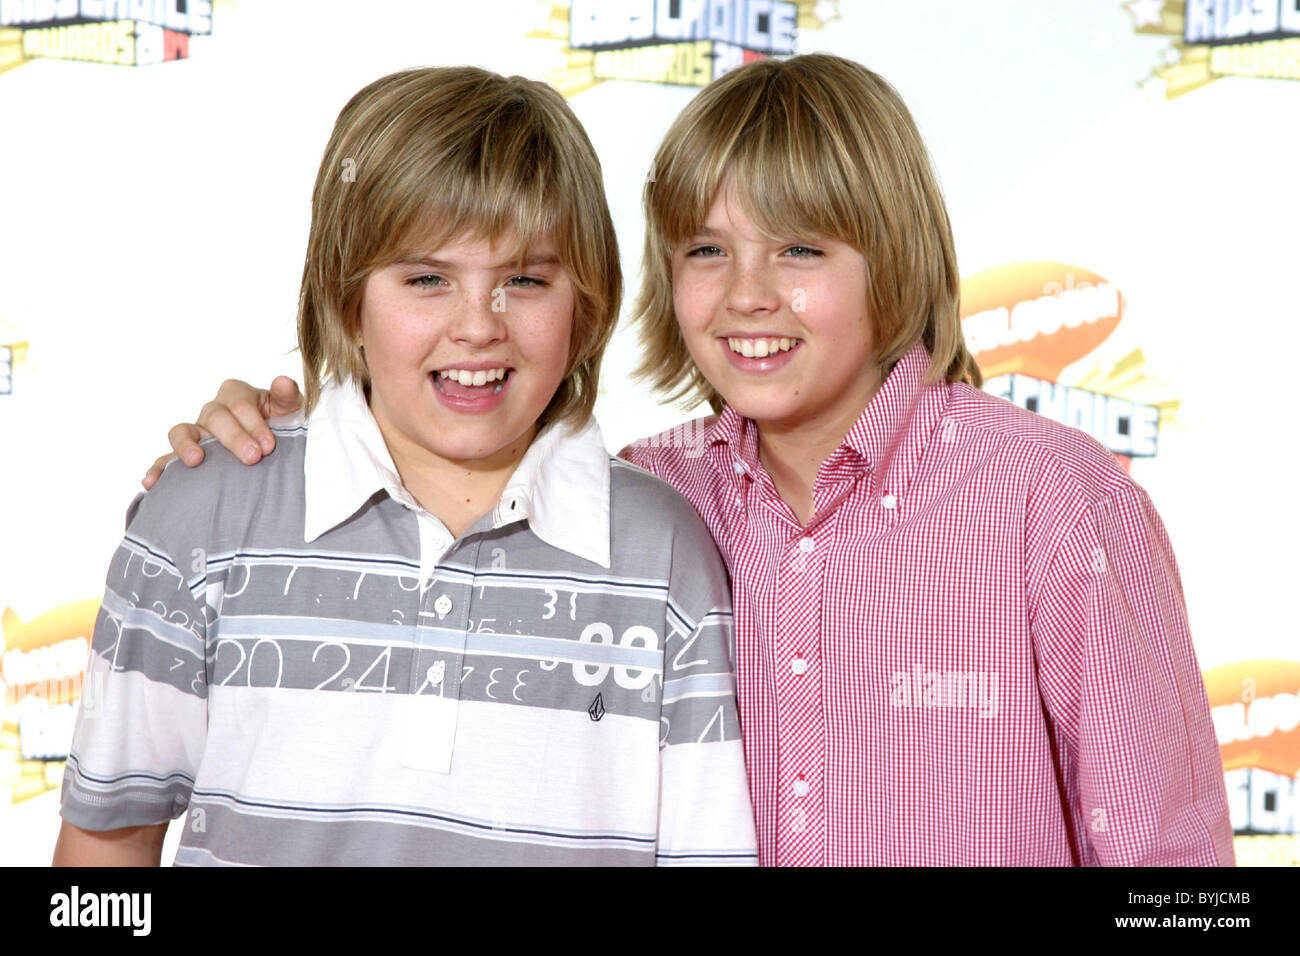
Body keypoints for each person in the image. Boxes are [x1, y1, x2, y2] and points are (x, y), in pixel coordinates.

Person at [145, 55, 1233, 866]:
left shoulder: (1049, 498)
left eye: (799, 248)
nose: (746, 294)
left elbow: (1170, 865)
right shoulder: (642, 505)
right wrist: (261, 445)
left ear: (892, 260)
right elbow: (438, 479)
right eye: (706, 251)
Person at [55, 66, 757, 867]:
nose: (476, 327)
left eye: (524, 280)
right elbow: (106, 848)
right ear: (346, 295)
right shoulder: (206, 512)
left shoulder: (663, 555)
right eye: (427, 278)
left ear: (585, 305)